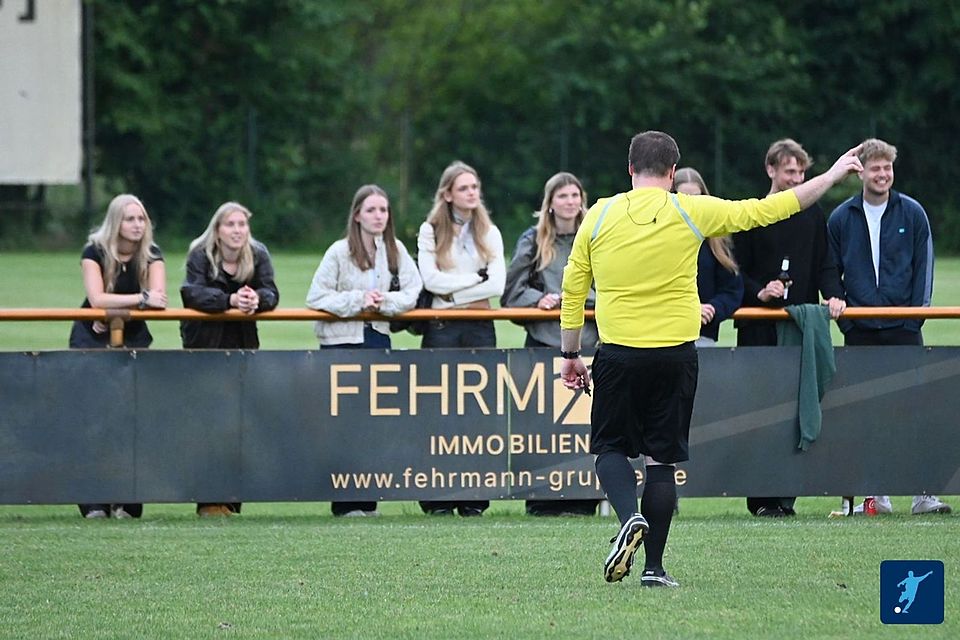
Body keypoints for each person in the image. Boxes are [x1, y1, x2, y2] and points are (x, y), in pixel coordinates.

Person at [559, 130, 863, 587]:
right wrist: (834, 173)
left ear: (630, 169)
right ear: (672, 172)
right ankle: (654, 569)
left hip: (619, 352)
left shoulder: (598, 215)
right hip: (676, 354)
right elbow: (773, 208)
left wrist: (570, 354)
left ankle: (628, 518)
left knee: (609, 448)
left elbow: (573, 289)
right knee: (661, 461)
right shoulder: (691, 209)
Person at [827, 138, 951, 516]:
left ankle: (923, 494)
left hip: (903, 328)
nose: (882, 174)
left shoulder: (912, 213)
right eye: (875, 168)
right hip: (860, 329)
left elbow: (924, 267)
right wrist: (845, 315)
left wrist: (914, 317)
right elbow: (830, 270)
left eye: (887, 168)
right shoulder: (841, 218)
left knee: (914, 410)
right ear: (861, 172)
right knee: (865, 413)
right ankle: (874, 496)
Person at [732, 138, 847, 518]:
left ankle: (786, 496)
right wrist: (760, 291)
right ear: (771, 170)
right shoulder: (753, 213)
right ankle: (760, 498)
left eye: (801, 172)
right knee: (760, 410)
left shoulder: (814, 215)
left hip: (801, 328)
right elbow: (736, 273)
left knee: (795, 410)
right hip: (758, 330)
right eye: (789, 172)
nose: (797, 178)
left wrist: (834, 295)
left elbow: (826, 264)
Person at [306, 184, 422, 517]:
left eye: (383, 210)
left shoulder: (395, 250)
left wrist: (384, 302)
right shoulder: (339, 251)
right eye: (371, 210)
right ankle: (344, 503)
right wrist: (358, 301)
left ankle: (368, 501)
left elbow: (413, 291)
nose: (378, 216)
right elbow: (316, 297)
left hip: (377, 339)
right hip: (341, 342)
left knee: (374, 424)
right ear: (357, 215)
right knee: (344, 424)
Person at [502, 171, 600, 517]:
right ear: (550, 203)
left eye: (575, 195)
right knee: (541, 428)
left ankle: (587, 496)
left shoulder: (595, 234)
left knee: (587, 425)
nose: (570, 202)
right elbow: (511, 292)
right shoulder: (533, 240)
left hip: (590, 341)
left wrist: (580, 299)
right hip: (544, 343)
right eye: (563, 196)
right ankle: (540, 497)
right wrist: (539, 299)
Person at [69, 194, 168, 519]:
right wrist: (139, 299)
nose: (137, 225)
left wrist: (119, 308)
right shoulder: (94, 252)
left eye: (141, 219)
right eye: (130, 219)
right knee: (93, 419)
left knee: (133, 419)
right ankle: (94, 501)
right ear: (116, 222)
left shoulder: (151, 253)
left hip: (134, 338)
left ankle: (129, 500)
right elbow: (97, 299)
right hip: (90, 337)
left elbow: (159, 300)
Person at [417, 160, 506, 516]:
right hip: (441, 329)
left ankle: (474, 497)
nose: (472, 193)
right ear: (448, 194)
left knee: (477, 413)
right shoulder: (430, 231)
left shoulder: (490, 231)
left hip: (480, 327)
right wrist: (472, 283)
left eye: (475, 187)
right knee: (439, 412)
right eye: (464, 188)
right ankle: (436, 497)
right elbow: (430, 281)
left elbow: (497, 285)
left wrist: (451, 293)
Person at [180, 201, 279, 517]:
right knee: (209, 425)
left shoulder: (258, 254)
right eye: (230, 225)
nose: (237, 230)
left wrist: (255, 299)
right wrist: (230, 300)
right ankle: (208, 500)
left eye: (242, 224)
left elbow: (272, 293)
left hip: (242, 347)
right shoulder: (200, 255)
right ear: (218, 230)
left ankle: (233, 500)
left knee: (240, 426)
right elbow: (190, 293)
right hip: (205, 348)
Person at [672, 168, 744, 347]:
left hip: (704, 336)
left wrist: (713, 309)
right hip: (665, 337)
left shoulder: (717, 241)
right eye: (684, 199)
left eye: (697, 198)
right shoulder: (656, 239)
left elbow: (732, 289)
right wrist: (689, 310)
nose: (692, 205)